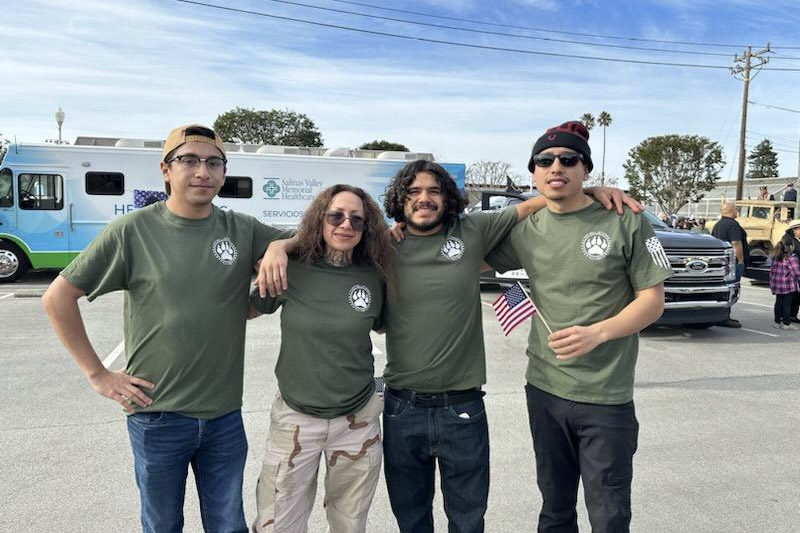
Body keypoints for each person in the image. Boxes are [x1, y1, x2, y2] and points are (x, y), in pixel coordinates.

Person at [257, 163, 640, 533]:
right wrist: (280, 245)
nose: (424, 198)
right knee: (411, 520)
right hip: (401, 407)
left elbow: (531, 205)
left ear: (448, 198)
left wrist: (589, 191)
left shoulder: (473, 230)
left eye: (434, 191)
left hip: (463, 407)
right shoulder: (383, 248)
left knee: (468, 520)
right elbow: (319, 239)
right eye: (413, 192)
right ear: (400, 200)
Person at [42, 124, 287, 533]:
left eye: (214, 163)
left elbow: (311, 241)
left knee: (228, 524)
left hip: (224, 416)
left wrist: (279, 246)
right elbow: (57, 298)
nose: (202, 172)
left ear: (224, 173)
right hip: (157, 416)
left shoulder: (242, 230)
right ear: (166, 170)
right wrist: (97, 374)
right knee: (162, 525)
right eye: (189, 160)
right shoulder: (131, 231)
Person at [486, 120, 672, 533]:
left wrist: (598, 333)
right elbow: (466, 255)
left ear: (585, 169)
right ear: (534, 173)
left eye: (569, 159)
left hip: (605, 396)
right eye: (544, 161)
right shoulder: (526, 230)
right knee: (554, 510)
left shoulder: (625, 219)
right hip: (544, 390)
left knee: (609, 515)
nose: (556, 167)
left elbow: (652, 301)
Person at [250, 185, 393, 533]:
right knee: (276, 525)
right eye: (336, 216)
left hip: (357, 421)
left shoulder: (374, 274)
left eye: (357, 220)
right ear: (320, 219)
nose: (346, 225)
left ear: (367, 228)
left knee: (349, 525)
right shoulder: (291, 267)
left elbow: (386, 325)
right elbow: (244, 310)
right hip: (295, 419)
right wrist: (278, 247)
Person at [712, 202, 749, 328]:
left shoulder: (718, 224)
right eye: (736, 209)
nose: (737, 211)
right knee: (731, 289)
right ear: (731, 211)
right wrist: (741, 261)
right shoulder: (733, 225)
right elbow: (736, 243)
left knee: (723, 289)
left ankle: (720, 315)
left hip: (722, 263)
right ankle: (724, 317)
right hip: (732, 263)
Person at [769, 234, 800, 330]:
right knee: (787, 303)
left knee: (778, 302)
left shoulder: (775, 257)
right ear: (791, 246)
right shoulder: (792, 258)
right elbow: (797, 272)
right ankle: (786, 323)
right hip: (788, 285)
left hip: (777, 285)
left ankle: (777, 322)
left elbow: (771, 271)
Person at [785, 219, 800, 324]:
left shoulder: (795, 239)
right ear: (794, 229)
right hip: (792, 272)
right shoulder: (787, 239)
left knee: (797, 295)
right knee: (790, 296)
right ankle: (786, 316)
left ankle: (793, 315)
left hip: (796, 270)